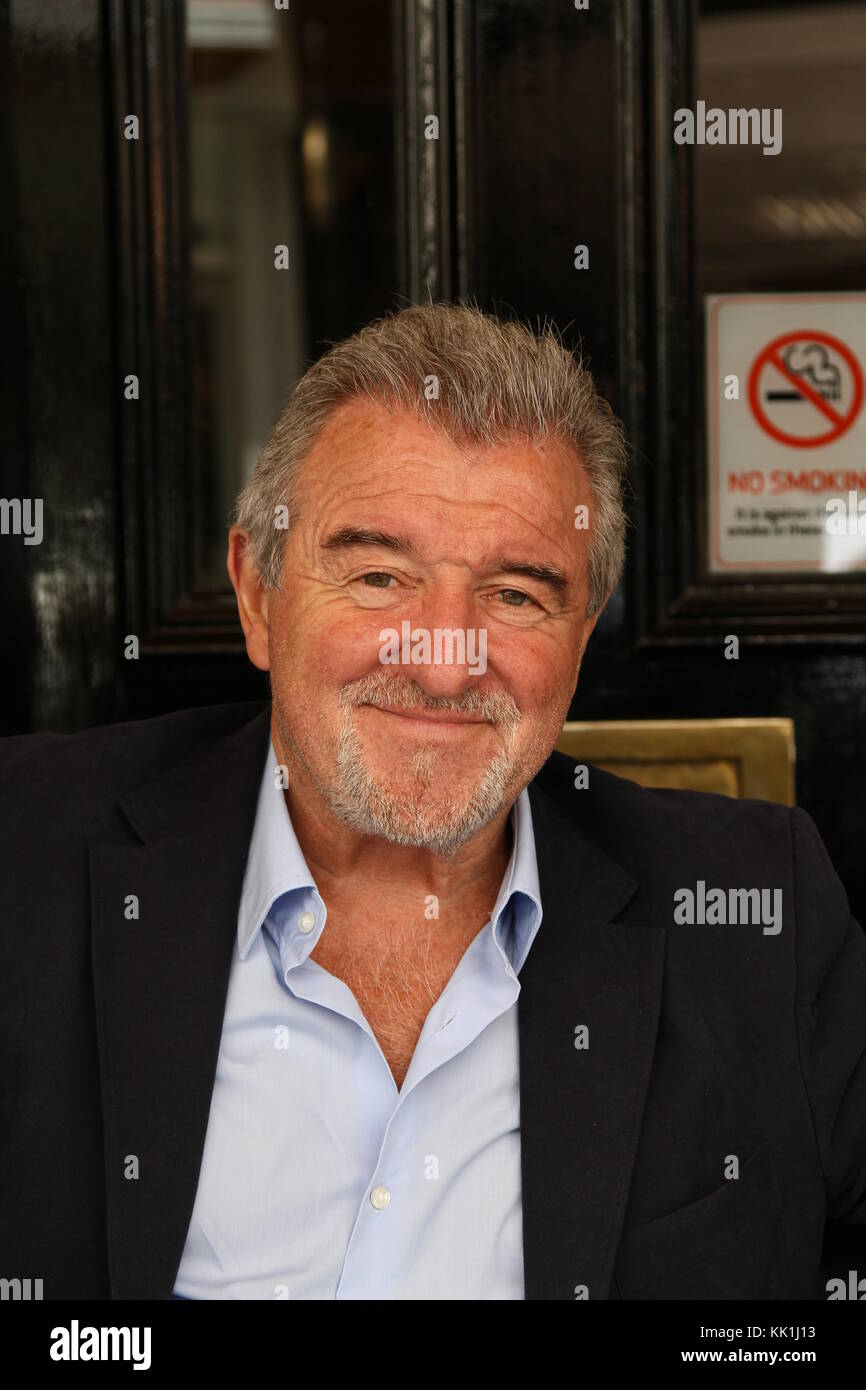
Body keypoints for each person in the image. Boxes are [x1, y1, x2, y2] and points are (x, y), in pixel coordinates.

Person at [1, 303, 864, 1300]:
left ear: (579, 639)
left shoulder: (757, 912)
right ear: (255, 595)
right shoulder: (25, 849)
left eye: (514, 595)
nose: (444, 663)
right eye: (377, 575)